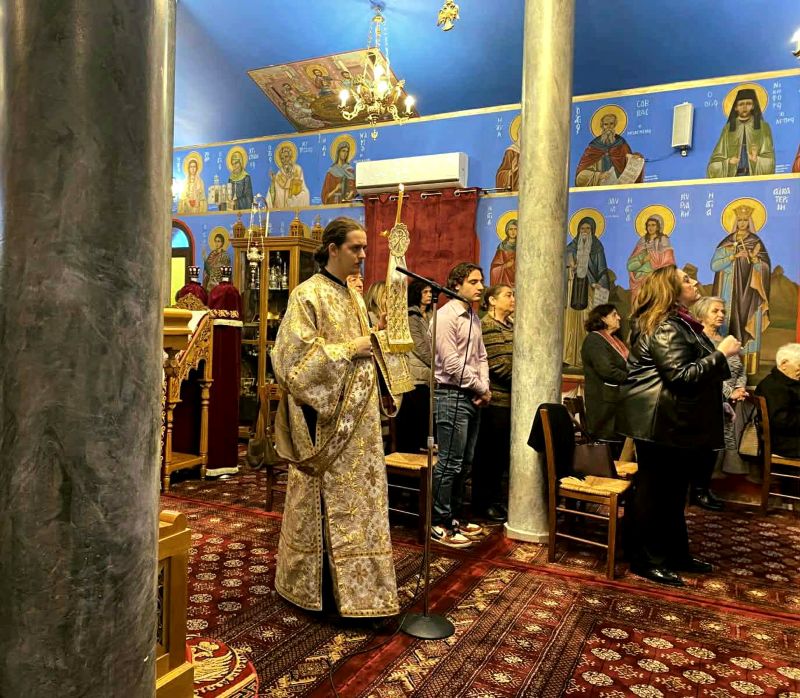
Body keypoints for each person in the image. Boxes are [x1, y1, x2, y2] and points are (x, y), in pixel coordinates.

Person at [270, 217, 399, 617]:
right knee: (329, 504)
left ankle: (361, 595)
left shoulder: (355, 298)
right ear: (332, 249)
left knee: (360, 506)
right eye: (355, 248)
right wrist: (349, 349)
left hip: (360, 424)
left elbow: (366, 353)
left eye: (364, 248)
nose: (363, 255)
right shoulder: (306, 295)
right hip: (324, 421)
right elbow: (291, 363)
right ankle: (323, 596)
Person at [617, 265, 740, 587]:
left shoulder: (681, 323)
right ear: (670, 291)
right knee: (655, 492)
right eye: (686, 279)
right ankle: (646, 559)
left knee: (672, 493)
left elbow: (691, 372)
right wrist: (721, 354)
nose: (694, 281)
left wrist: (717, 398)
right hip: (659, 422)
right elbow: (681, 376)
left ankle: (674, 554)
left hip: (673, 421)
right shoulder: (666, 326)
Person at [431, 263, 489, 547]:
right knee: (449, 463)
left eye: (481, 281)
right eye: (473, 281)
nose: (480, 287)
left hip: (471, 396)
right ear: (456, 284)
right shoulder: (445, 316)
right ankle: (438, 522)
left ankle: (454, 516)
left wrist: (483, 387)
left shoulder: (473, 316)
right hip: (450, 395)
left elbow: (481, 357)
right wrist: (480, 387)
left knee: (464, 463)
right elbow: (451, 363)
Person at [691, 296, 749, 507]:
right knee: (702, 450)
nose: (721, 315)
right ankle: (697, 492)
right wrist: (728, 392)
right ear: (701, 315)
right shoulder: (698, 341)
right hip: (705, 402)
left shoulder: (727, 340)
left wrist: (740, 387)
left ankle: (705, 488)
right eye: (715, 311)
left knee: (715, 449)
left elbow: (739, 370)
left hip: (724, 405)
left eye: (723, 311)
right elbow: (706, 374)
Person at [711, 203, 771, 374]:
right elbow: (715, 265)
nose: (742, 223)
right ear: (735, 222)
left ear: (749, 222)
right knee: (727, 322)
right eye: (740, 220)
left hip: (750, 293)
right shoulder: (727, 243)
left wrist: (755, 260)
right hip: (729, 290)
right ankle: (724, 364)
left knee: (749, 321)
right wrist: (733, 256)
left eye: (745, 220)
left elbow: (765, 267)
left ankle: (748, 366)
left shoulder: (756, 243)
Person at [473, 285, 515, 522]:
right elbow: (499, 366)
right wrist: (527, 376)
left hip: (510, 401)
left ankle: (498, 500)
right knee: (489, 456)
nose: (513, 299)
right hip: (496, 401)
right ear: (492, 300)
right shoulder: (488, 326)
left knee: (501, 457)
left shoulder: (511, 325)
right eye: (508, 295)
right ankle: (485, 503)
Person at [579, 304, 628, 450]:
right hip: (604, 408)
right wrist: (632, 379)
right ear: (603, 319)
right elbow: (607, 371)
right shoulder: (595, 340)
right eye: (614, 314)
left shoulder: (615, 340)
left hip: (616, 404)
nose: (619, 317)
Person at [563, 216, 610, 367]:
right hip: (573, 287)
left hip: (590, 287)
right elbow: (563, 267)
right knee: (571, 322)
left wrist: (599, 283)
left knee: (587, 319)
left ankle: (586, 357)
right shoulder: (571, 247)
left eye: (588, 228)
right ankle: (569, 356)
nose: (585, 231)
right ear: (578, 230)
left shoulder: (597, 247)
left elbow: (602, 269)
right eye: (582, 228)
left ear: (593, 230)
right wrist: (570, 269)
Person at [394, 280, 433, 454]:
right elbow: (419, 346)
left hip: (429, 372)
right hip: (416, 370)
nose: (429, 295)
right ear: (417, 293)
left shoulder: (431, 315)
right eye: (425, 292)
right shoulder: (411, 316)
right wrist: (438, 364)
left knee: (426, 417)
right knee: (416, 416)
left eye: (431, 292)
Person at [707, 88, 775, 178]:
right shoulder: (728, 129)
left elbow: (770, 161)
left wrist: (756, 160)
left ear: (753, 106)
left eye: (748, 103)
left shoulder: (763, 127)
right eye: (741, 104)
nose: (744, 107)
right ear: (735, 107)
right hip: (733, 178)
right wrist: (728, 162)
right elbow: (713, 165)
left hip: (754, 178)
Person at [755, 343, 800, 458]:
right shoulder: (773, 386)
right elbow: (781, 421)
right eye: (799, 365)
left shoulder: (785, 382)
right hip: (786, 442)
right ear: (784, 364)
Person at [574, 113, 644, 186]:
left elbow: (628, 160)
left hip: (619, 183)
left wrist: (635, 157)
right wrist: (599, 175)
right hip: (600, 183)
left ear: (615, 125)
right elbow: (581, 173)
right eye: (606, 124)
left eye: (611, 124)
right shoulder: (594, 145)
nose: (609, 127)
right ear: (602, 126)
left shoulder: (621, 142)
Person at [627, 214, 676, 303]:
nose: (650, 227)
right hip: (640, 279)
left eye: (653, 225)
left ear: (658, 226)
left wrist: (653, 257)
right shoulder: (642, 241)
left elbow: (669, 260)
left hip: (656, 278)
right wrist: (643, 260)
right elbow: (630, 265)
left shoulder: (663, 240)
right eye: (648, 225)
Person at [268, 143, 310, 208]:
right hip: (281, 208)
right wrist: (273, 183)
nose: (284, 160)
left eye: (286, 157)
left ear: (290, 157)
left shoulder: (298, 170)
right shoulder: (279, 174)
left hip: (294, 207)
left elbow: (304, 191)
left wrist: (293, 200)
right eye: (282, 158)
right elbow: (275, 194)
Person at [490, 218, 517, 286]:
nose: (513, 231)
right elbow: (494, 269)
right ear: (507, 230)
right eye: (511, 229)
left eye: (515, 229)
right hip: (505, 281)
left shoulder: (522, 246)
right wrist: (505, 266)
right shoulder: (502, 246)